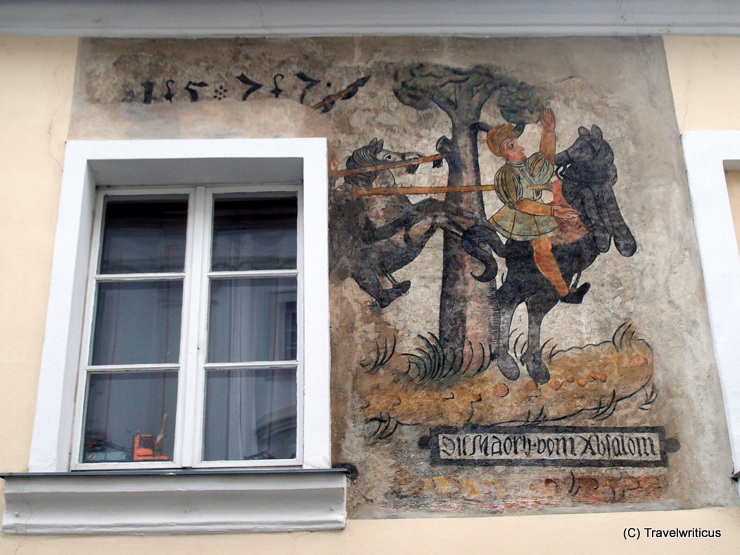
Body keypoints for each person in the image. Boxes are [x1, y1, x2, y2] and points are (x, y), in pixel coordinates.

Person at [486, 108, 589, 304]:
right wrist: (552, 210)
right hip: (522, 216)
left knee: (573, 226)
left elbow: (546, 161)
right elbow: (520, 203)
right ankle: (564, 293)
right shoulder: (506, 174)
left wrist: (548, 132)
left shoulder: (526, 166)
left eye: (516, 143)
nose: (521, 148)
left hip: (539, 210)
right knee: (542, 247)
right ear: (503, 153)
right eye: (512, 146)